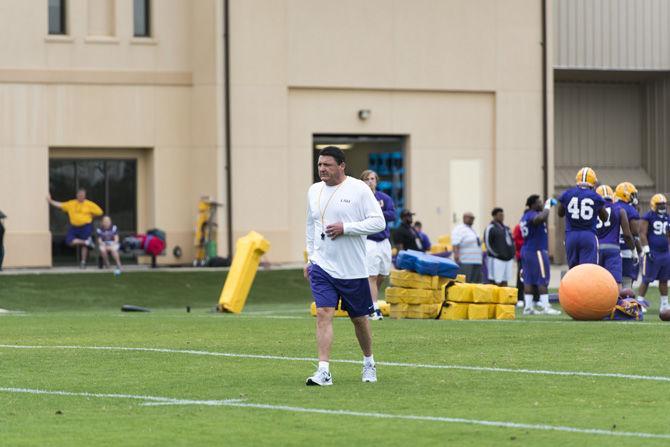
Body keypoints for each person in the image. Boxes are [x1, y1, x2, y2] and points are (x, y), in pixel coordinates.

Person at [304, 146, 385, 386]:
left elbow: (378, 223)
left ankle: (369, 362)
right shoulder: (314, 191)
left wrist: (346, 228)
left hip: (352, 270)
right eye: (319, 165)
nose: (322, 169)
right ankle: (323, 371)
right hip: (322, 265)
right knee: (323, 313)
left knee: (359, 319)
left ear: (341, 166)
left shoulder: (359, 189)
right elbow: (311, 225)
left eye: (327, 165)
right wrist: (310, 258)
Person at [360, 169, 396, 321]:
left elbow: (392, 214)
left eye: (373, 178)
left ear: (377, 181)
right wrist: (378, 215)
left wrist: (376, 214)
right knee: (372, 275)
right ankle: (373, 307)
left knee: (383, 274)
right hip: (369, 240)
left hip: (384, 240)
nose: (370, 181)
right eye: (367, 179)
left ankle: (369, 300)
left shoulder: (384, 198)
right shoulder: (360, 199)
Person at [557, 167, 607, 268]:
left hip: (571, 235)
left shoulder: (568, 193)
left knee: (573, 270)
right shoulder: (595, 196)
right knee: (588, 270)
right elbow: (604, 217)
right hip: (588, 235)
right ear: (593, 182)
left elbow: (560, 213)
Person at [519, 195, 561, 315]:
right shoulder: (532, 214)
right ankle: (546, 306)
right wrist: (548, 207)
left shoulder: (525, 216)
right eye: (539, 203)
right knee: (542, 278)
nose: (541, 204)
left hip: (527, 250)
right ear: (532, 205)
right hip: (536, 250)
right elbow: (539, 219)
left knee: (529, 279)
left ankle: (528, 307)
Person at [47, 188, 104, 268]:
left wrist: (91, 215)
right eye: (79, 195)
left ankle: (83, 262)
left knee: (84, 247)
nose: (81, 196)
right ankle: (86, 241)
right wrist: (51, 201)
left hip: (85, 226)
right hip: (74, 227)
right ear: (77, 195)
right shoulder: (71, 203)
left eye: (82, 195)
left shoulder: (89, 204)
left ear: (85, 196)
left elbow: (100, 212)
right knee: (69, 241)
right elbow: (61, 205)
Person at [595, 185, 635, 288]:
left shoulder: (593, 210)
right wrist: (633, 249)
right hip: (613, 249)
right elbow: (627, 234)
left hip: (596, 249)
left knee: (596, 282)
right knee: (616, 282)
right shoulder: (620, 209)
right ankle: (616, 303)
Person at [637, 194, 670, 312]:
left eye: (663, 204)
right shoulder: (648, 217)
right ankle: (639, 301)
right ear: (653, 205)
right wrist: (646, 249)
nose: (662, 206)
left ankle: (665, 303)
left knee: (664, 279)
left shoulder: (667, 217)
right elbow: (642, 233)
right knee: (646, 279)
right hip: (652, 252)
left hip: (665, 253)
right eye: (659, 204)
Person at [615, 182, 642, 289]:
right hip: (627, 247)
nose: (634, 197)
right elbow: (635, 231)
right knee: (627, 280)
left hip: (614, 246)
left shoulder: (613, 206)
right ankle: (626, 303)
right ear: (626, 195)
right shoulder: (630, 209)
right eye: (632, 194)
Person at [484, 208, 515, 286]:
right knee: (496, 281)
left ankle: (504, 297)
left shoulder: (506, 228)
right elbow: (487, 244)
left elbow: (511, 241)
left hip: (508, 258)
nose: (502, 216)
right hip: (496, 259)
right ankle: (495, 298)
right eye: (500, 215)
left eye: (503, 215)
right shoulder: (490, 228)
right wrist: (496, 255)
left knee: (505, 280)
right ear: (494, 216)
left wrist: (512, 253)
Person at [451, 212, 483, 283]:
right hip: (466, 261)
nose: (472, 220)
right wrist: (456, 256)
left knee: (475, 284)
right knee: (465, 283)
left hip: (476, 261)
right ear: (464, 218)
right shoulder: (459, 229)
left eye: (473, 218)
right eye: (470, 218)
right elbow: (455, 244)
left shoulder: (472, 230)